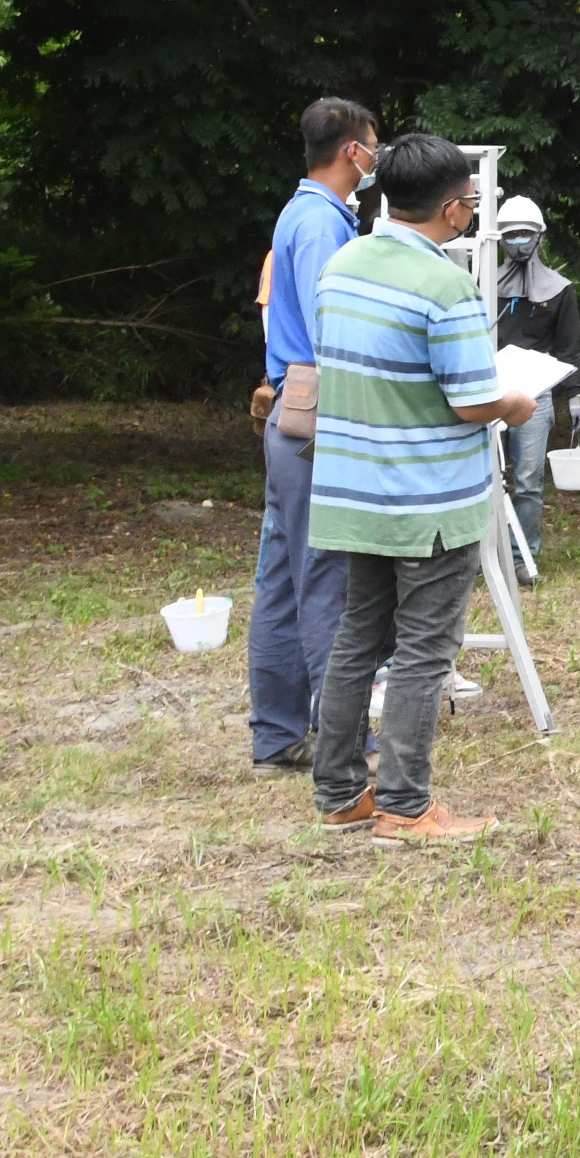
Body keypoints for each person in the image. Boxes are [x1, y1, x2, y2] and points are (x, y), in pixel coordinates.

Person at [306, 134, 536, 846]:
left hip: (354, 492)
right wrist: (516, 404)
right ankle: (406, 807)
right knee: (424, 652)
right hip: (428, 500)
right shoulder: (445, 285)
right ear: (455, 209)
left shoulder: (341, 266)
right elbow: (472, 400)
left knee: (357, 641)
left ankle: (342, 791)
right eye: (469, 201)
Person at [245, 97, 378, 775]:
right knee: (327, 574)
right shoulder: (324, 224)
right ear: (351, 150)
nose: (374, 159)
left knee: (281, 575)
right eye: (372, 146)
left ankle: (276, 734)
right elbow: (334, 329)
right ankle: (343, 738)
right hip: (315, 412)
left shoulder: (299, 213)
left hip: (288, 412)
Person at [490, 195, 580, 579]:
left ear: (539, 235)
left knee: (528, 479)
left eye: (525, 233)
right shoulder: (483, 284)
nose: (518, 241)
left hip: (535, 392)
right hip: (488, 390)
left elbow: (569, 348)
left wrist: (574, 398)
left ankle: (522, 559)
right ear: (498, 238)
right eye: (510, 234)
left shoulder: (560, 290)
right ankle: (483, 557)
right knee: (485, 477)